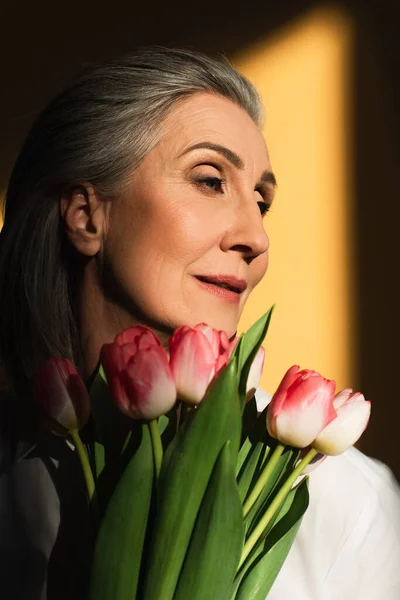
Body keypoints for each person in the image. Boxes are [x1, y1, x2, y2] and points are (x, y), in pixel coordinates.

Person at [0, 47, 399, 600]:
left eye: (261, 201)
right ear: (88, 215)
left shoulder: (347, 503)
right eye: (211, 180)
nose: (256, 239)